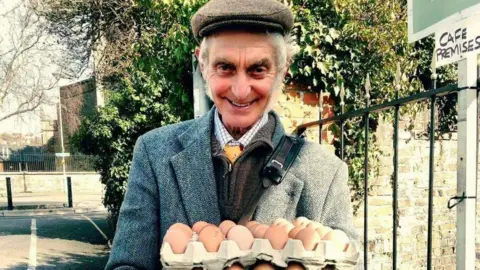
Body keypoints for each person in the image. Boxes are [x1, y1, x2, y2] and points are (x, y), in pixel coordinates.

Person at [105, 0, 360, 269]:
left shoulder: (324, 173)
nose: (240, 90)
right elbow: (127, 264)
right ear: (202, 65)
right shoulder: (154, 153)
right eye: (225, 67)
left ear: (283, 71)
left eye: (257, 69)